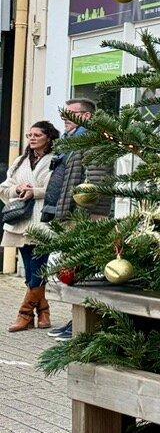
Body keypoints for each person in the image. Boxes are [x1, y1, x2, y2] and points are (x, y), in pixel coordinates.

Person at [43, 98, 112, 338]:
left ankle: (83, 326)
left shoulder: (94, 140)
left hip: (85, 217)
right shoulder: (71, 142)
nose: (64, 118)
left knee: (84, 271)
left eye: (70, 113)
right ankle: (76, 320)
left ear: (86, 116)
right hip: (72, 214)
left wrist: (90, 216)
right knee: (73, 271)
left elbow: (96, 182)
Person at [5, 122, 60, 332]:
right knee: (30, 272)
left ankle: (25, 314)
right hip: (21, 221)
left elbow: (57, 189)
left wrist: (34, 192)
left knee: (38, 268)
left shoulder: (56, 159)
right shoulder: (20, 160)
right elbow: (5, 187)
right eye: (30, 135)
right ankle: (43, 311)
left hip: (43, 220)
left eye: (37, 135)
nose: (32, 138)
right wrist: (18, 188)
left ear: (49, 137)